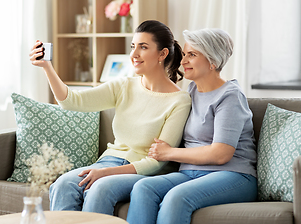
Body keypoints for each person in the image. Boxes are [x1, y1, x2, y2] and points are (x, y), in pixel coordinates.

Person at [29, 20, 191, 215]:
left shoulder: (179, 100)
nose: (134, 54)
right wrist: (47, 67)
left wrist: (105, 173)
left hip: (144, 170)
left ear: (162, 54)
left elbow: (157, 161)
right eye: (133, 47)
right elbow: (71, 101)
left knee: (99, 188)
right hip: (110, 161)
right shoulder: (122, 86)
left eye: (143, 47)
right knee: (63, 184)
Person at [126, 28, 257, 224]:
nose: (183, 61)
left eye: (192, 55)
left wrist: (169, 153)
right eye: (185, 54)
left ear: (213, 61)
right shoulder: (193, 90)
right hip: (190, 172)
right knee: (143, 188)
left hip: (233, 175)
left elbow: (221, 153)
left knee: (176, 198)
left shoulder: (230, 96)